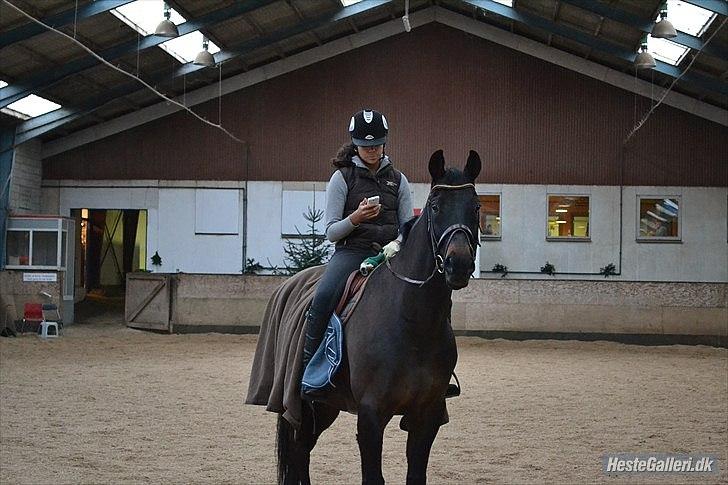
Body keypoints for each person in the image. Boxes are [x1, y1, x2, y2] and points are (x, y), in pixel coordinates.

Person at [301, 109, 413, 398]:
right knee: (324, 296)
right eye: (366, 146)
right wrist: (357, 218)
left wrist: (398, 245)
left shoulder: (399, 180)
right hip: (351, 252)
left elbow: (406, 227)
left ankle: (435, 375)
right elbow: (330, 232)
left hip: (390, 254)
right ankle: (309, 370)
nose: (372, 150)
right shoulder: (342, 178)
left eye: (377, 144)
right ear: (355, 144)